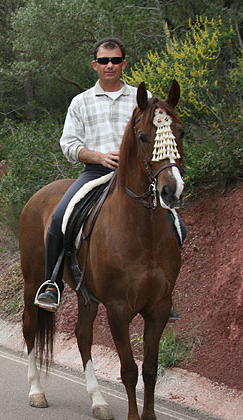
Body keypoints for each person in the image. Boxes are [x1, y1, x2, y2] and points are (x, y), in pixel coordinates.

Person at [34, 37, 184, 320]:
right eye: (104, 61)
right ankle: (52, 283)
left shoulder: (142, 98)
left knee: (179, 227)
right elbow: (68, 144)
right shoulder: (81, 102)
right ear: (95, 65)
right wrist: (98, 156)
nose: (110, 65)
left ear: (124, 64)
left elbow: (160, 135)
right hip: (96, 172)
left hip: (138, 177)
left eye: (115, 60)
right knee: (58, 220)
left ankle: (164, 292)